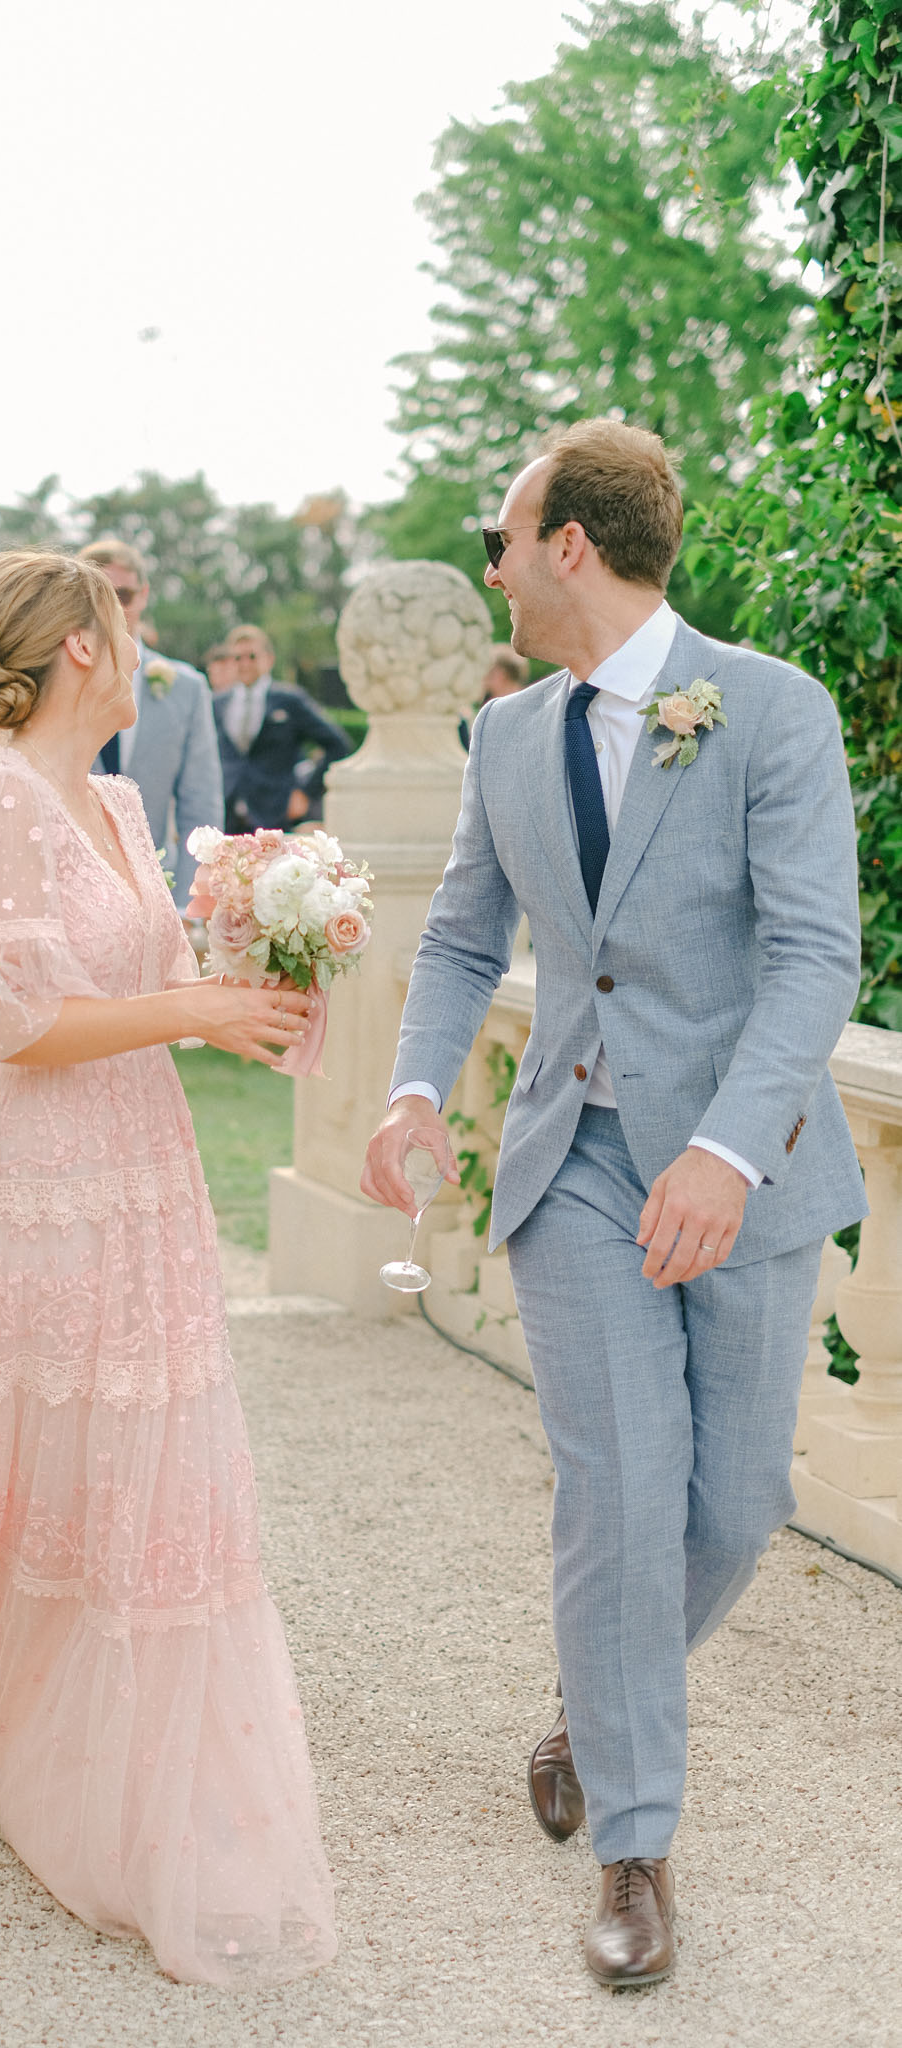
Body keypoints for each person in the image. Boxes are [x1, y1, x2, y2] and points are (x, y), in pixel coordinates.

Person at [362, 419, 866, 1988]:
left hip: (744, 1172)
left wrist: (720, 1151)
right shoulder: (505, 739)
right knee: (625, 1494)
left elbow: (813, 959)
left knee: (735, 1508)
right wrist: (415, 1087)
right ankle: (635, 1846)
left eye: (503, 540)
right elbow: (458, 942)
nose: (492, 569)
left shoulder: (772, 712)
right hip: (570, 1166)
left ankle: (592, 1708)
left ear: (569, 544)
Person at [0, 549, 336, 1985]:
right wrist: (191, 1009)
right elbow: (18, 1020)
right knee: (80, 1468)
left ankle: (131, 1775)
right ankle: (58, 1774)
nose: (145, 642)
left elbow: (135, 970)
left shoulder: (118, 802)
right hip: (50, 1191)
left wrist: (258, 952)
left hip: (146, 1175)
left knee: (151, 1477)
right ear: (79, 646)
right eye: (126, 620)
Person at [76, 537, 222, 909]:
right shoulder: (55, 679)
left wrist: (191, 901)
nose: (112, 608)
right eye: (98, 595)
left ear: (143, 595)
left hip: (159, 890)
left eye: (122, 595)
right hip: (74, 891)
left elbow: (201, 803)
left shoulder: (186, 688)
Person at [216, 625, 352, 832]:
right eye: (237, 658)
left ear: (269, 659)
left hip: (275, 815)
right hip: (225, 816)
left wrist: (306, 793)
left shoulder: (290, 700)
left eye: (252, 656)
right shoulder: (217, 703)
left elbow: (337, 744)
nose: (245, 664)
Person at [460, 645, 530, 752]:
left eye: (488, 670)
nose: (483, 675)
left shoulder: (518, 709)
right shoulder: (528, 703)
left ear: (501, 674)